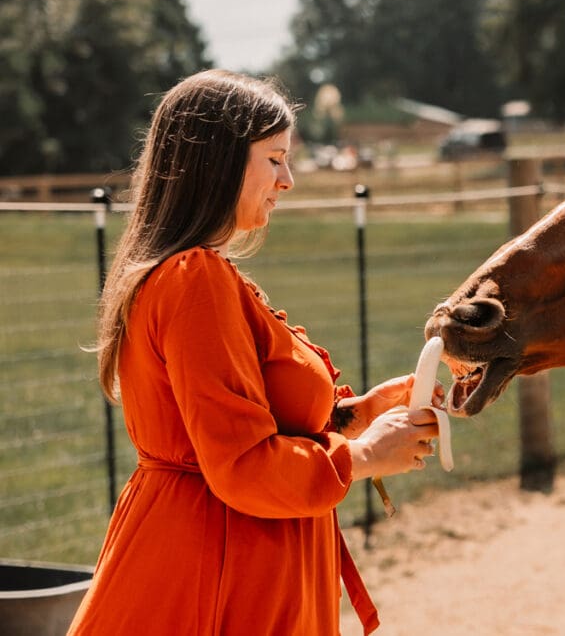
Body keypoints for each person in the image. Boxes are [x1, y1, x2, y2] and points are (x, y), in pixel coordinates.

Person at [69, 70, 440, 635]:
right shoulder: (194, 279)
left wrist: (358, 413)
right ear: (216, 162)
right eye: (274, 159)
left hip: (231, 559)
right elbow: (242, 464)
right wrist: (365, 456)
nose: (288, 179)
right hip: (217, 574)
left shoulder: (193, 274)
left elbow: (251, 419)